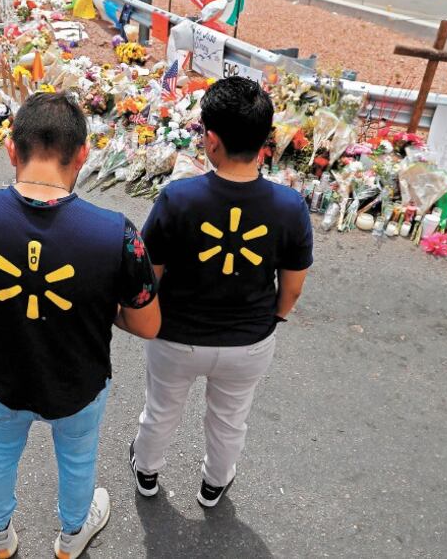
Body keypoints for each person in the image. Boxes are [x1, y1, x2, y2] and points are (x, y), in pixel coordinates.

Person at [0, 92, 161, 559]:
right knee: (77, 461)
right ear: (83, 155)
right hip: (78, 382)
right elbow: (147, 324)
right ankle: (72, 536)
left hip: (2, 377)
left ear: (11, 150)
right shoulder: (117, 234)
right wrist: (93, 303)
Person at [129, 77, 313, 509]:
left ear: (211, 140)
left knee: (161, 410)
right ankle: (214, 484)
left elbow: (147, 274)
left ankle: (147, 472)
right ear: (267, 140)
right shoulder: (289, 206)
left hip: (176, 336)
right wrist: (276, 317)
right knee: (230, 420)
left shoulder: (179, 198)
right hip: (248, 341)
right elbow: (293, 284)